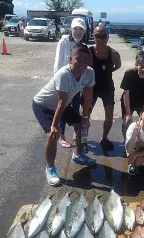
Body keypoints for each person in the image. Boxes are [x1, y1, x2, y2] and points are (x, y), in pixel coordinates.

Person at [32, 43, 96, 186]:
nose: (82, 63)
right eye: (78, 58)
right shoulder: (64, 74)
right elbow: (61, 101)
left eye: (86, 60)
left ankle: (79, 155)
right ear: (70, 59)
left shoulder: (90, 72)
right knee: (52, 135)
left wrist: (85, 117)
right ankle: (50, 168)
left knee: (81, 125)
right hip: (43, 105)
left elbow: (88, 97)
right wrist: (54, 126)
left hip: (63, 104)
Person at [53, 17, 87, 148]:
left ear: (84, 32)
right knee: (63, 108)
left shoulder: (83, 46)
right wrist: (57, 81)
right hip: (64, 82)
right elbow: (58, 61)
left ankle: (75, 132)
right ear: (71, 29)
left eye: (81, 29)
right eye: (76, 29)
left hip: (77, 84)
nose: (78, 32)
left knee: (77, 107)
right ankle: (61, 135)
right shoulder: (64, 41)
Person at [88, 25, 121, 151]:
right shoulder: (89, 52)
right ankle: (82, 136)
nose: (101, 39)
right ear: (93, 37)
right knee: (85, 114)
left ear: (107, 37)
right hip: (92, 87)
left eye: (104, 36)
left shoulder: (113, 53)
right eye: (98, 36)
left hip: (107, 87)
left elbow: (118, 65)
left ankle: (104, 137)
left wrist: (107, 71)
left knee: (109, 115)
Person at [120, 50, 144, 141]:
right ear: (136, 64)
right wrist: (128, 113)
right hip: (129, 100)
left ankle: (142, 142)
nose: (143, 69)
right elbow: (126, 94)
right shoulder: (129, 73)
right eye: (141, 65)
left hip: (143, 101)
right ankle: (127, 143)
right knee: (127, 122)